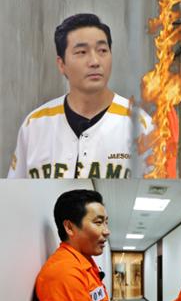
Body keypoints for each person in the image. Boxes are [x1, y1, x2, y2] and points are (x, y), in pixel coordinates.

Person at [8, 14, 153, 179]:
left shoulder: (140, 125)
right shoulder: (35, 125)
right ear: (61, 64)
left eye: (102, 51)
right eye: (81, 52)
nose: (95, 61)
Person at [35, 189, 130, 301]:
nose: (107, 231)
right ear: (70, 227)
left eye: (106, 222)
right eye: (98, 222)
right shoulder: (63, 273)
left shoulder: (85, 263)